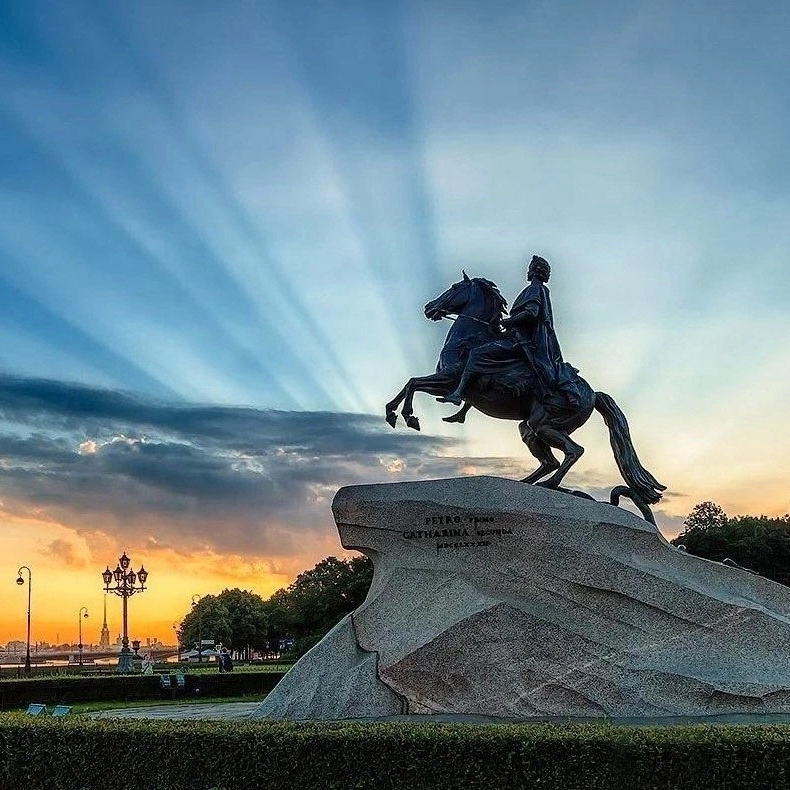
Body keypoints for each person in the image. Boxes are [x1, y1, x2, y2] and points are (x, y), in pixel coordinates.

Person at [439, 255, 583, 409]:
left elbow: (532, 313)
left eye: (529, 268)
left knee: (476, 354)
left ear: (534, 271)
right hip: (519, 337)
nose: (528, 271)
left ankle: (458, 393)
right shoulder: (540, 290)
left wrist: (510, 321)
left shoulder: (534, 289)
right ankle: (464, 408)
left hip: (521, 340)